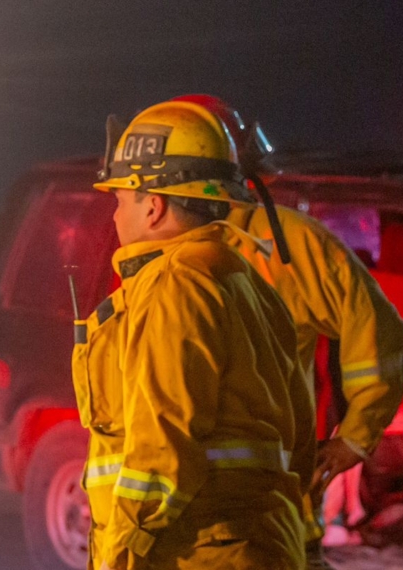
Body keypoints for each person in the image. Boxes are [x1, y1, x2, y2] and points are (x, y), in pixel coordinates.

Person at [169, 95, 403, 566]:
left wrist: (355, 436)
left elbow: (376, 330)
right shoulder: (161, 256)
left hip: (251, 525)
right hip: (228, 525)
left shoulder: (287, 244)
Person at [75, 100, 315, 569]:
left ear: (154, 206)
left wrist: (123, 553)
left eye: (121, 200)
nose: (114, 217)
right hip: (258, 546)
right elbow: (298, 436)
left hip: (195, 552)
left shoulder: (175, 284)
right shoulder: (246, 283)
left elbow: (161, 445)